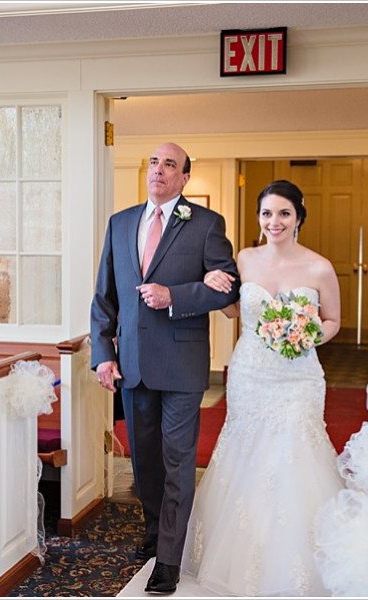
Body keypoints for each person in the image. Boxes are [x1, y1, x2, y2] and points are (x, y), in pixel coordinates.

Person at [180, 179, 344, 596]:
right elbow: (234, 311)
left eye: (284, 213)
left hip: (299, 376)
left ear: (299, 217)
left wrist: (305, 334)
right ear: (259, 218)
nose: (275, 221)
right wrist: (215, 287)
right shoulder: (245, 259)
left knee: (295, 454)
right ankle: (240, 557)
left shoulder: (319, 267)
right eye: (267, 213)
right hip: (251, 372)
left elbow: (333, 321)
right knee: (246, 452)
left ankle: (298, 563)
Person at [90, 142, 241, 595]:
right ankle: (155, 530)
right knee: (145, 463)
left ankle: (168, 562)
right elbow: (105, 298)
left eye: (169, 164)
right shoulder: (120, 223)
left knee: (177, 463)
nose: (158, 170)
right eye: (153, 162)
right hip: (132, 366)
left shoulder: (207, 225)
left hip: (181, 365)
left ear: (184, 177)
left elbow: (227, 290)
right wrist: (103, 353)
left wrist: (175, 296)